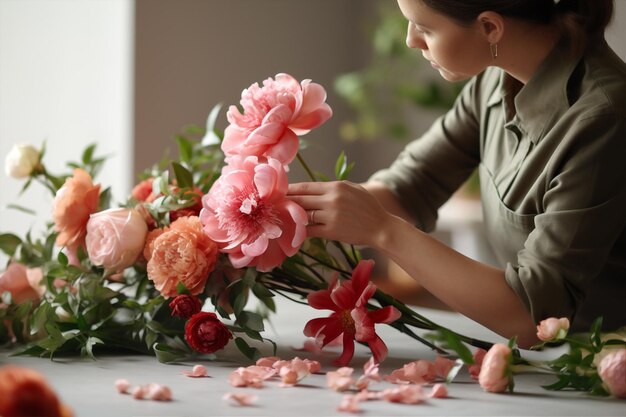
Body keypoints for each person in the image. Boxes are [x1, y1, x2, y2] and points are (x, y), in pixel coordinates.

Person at [288, 0, 625, 348]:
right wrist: (271, 225)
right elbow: (409, 188)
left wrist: (383, 230)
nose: (410, 40)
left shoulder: (603, 117)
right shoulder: (497, 81)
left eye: (425, 28)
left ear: (490, 27)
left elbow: (532, 316)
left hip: (603, 366)